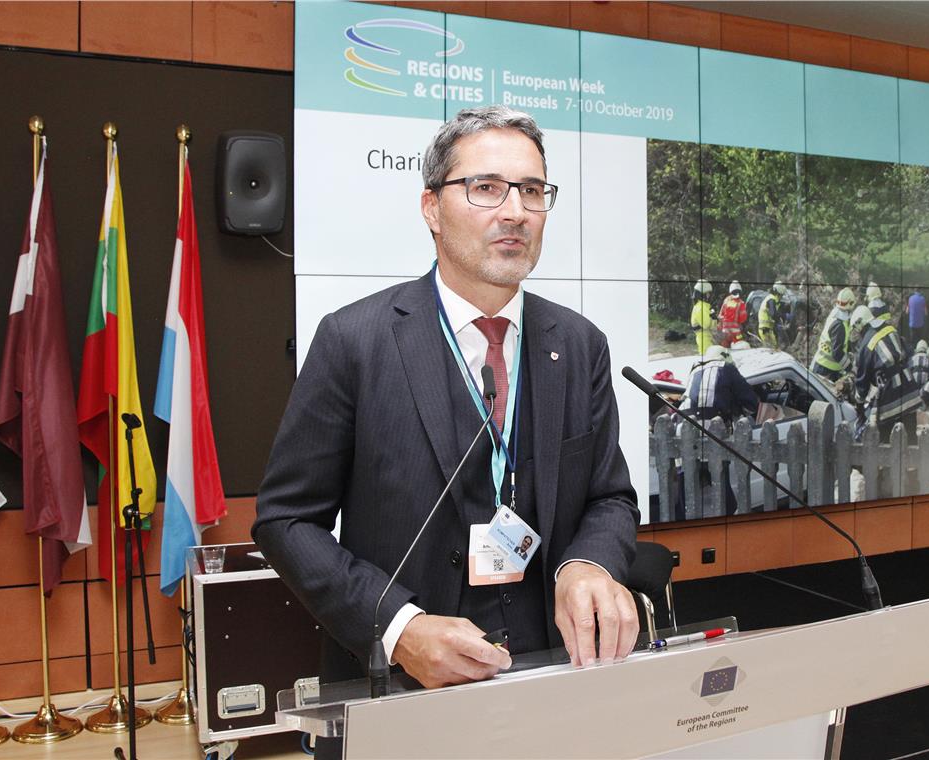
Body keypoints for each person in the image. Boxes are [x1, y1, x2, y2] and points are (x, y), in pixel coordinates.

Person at [253, 108, 640, 737]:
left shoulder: (579, 344)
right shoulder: (355, 340)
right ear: (431, 208)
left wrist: (587, 565)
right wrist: (398, 627)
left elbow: (610, 497)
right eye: (486, 187)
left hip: (556, 686)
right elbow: (286, 520)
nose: (515, 211)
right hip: (402, 700)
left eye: (532, 190)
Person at [853, 311, 922, 443]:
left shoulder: (866, 345)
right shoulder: (890, 328)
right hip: (909, 390)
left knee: (885, 441)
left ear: (859, 326)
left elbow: (862, 382)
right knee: (911, 438)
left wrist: (859, 404)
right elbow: (908, 352)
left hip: (890, 397)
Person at [680, 345, 759, 425]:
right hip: (712, 419)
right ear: (726, 357)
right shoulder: (727, 367)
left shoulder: (695, 370)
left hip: (684, 417)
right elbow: (748, 398)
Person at [810, 287, 856, 384]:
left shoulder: (835, 315)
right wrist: (850, 368)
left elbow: (841, 341)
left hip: (824, 366)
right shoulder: (840, 325)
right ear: (851, 304)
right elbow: (837, 353)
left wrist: (850, 349)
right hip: (825, 370)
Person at [717, 281, 747, 347]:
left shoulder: (726, 300)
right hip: (736, 331)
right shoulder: (741, 303)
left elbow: (720, 315)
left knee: (725, 346)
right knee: (739, 345)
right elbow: (743, 318)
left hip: (725, 330)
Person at [758, 281, 787, 349]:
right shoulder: (771, 300)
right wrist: (784, 316)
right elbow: (773, 314)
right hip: (765, 329)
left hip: (768, 329)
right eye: (782, 295)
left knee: (774, 348)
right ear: (779, 293)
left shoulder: (772, 299)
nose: (782, 297)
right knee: (770, 350)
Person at [690, 280, 715, 355]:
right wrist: (713, 317)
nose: (709, 295)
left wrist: (714, 318)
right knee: (707, 356)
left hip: (705, 336)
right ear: (703, 295)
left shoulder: (702, 306)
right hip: (704, 338)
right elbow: (706, 324)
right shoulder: (701, 307)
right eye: (708, 293)